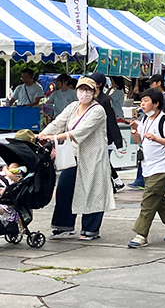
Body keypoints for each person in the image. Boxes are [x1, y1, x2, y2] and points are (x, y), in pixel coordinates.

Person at [39, 77, 115, 240]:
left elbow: (81, 131)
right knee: (64, 188)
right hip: (72, 154)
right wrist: (43, 134)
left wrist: (55, 137)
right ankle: (63, 225)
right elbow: (58, 122)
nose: (84, 93)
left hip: (92, 156)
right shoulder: (73, 107)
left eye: (88, 90)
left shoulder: (98, 110)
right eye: (81, 90)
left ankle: (91, 228)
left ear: (95, 92)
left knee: (92, 190)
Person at [126, 89, 165, 248]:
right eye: (142, 101)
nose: (142, 104)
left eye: (146, 101)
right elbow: (138, 140)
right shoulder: (145, 120)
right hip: (147, 166)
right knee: (159, 200)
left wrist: (157, 138)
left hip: (161, 167)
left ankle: (141, 234)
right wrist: (134, 130)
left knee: (149, 199)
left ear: (156, 103)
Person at [90, 73, 125, 193]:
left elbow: (110, 120)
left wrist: (115, 139)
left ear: (99, 84)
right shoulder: (96, 98)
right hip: (98, 136)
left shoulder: (103, 100)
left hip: (104, 136)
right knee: (103, 161)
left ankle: (112, 185)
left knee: (103, 162)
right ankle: (115, 182)